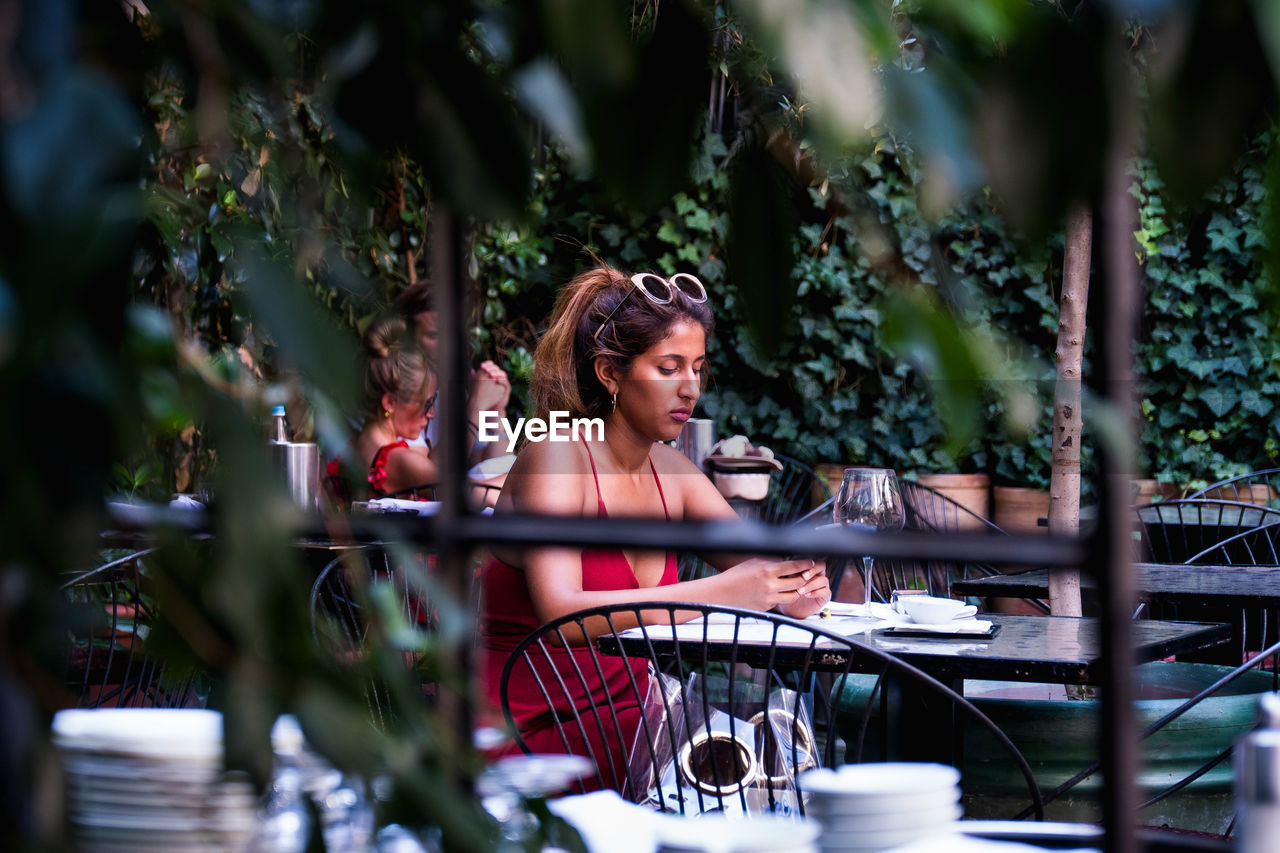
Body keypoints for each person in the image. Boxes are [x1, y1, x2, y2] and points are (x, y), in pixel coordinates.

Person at [479, 264, 830, 791]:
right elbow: (561, 611)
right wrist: (729, 592)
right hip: (530, 736)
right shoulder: (557, 458)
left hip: (634, 718)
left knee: (776, 740)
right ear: (610, 373)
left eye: (697, 368)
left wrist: (794, 588)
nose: (690, 388)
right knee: (742, 765)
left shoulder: (675, 473)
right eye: (669, 368)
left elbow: (761, 570)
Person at [394, 280, 513, 466]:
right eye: (435, 336)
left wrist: (497, 412)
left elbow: (497, 465)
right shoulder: (395, 393)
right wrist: (476, 405)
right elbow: (429, 482)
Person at [324, 316, 438, 503]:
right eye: (426, 404)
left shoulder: (353, 451)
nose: (431, 413)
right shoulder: (399, 461)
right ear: (390, 403)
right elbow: (476, 496)